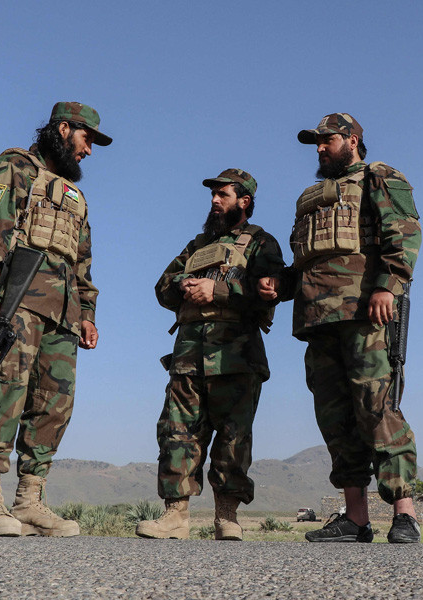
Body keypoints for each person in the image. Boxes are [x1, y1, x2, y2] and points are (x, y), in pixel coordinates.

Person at [258, 113, 422, 543]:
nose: (319, 148)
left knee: (377, 408)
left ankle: (404, 513)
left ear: (351, 139)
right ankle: (356, 518)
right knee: (335, 418)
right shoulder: (309, 197)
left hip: (366, 313)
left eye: (326, 140)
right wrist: (280, 285)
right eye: (315, 142)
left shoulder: (377, 176)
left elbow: (403, 234)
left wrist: (388, 286)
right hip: (316, 320)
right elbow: (303, 262)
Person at [0, 102, 111, 536]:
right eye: (87, 139)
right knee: (4, 391)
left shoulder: (75, 197)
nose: (89, 151)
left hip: (63, 316)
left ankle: (29, 501)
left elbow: (82, 262)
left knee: (54, 404)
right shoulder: (11, 167)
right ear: (64, 130)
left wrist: (87, 313)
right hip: (18, 304)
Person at [136, 169, 284, 541]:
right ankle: (175, 517)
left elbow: (269, 289)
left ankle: (227, 516)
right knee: (177, 432)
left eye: (223, 195)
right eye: (213, 196)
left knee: (234, 438)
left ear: (244, 201)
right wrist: (181, 284)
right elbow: (161, 286)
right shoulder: (197, 245)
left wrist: (216, 290)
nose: (215, 201)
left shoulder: (262, 243)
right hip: (188, 356)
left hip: (236, 355)